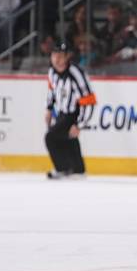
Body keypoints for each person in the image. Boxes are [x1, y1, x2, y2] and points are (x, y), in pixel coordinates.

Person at [44, 43, 96, 179]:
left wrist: (79, 124)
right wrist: (49, 109)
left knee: (51, 137)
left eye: (61, 57)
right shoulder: (52, 72)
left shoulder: (75, 73)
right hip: (62, 112)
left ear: (67, 57)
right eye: (55, 56)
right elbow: (51, 91)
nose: (58, 60)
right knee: (68, 139)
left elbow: (89, 100)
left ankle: (63, 168)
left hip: (74, 113)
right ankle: (78, 169)